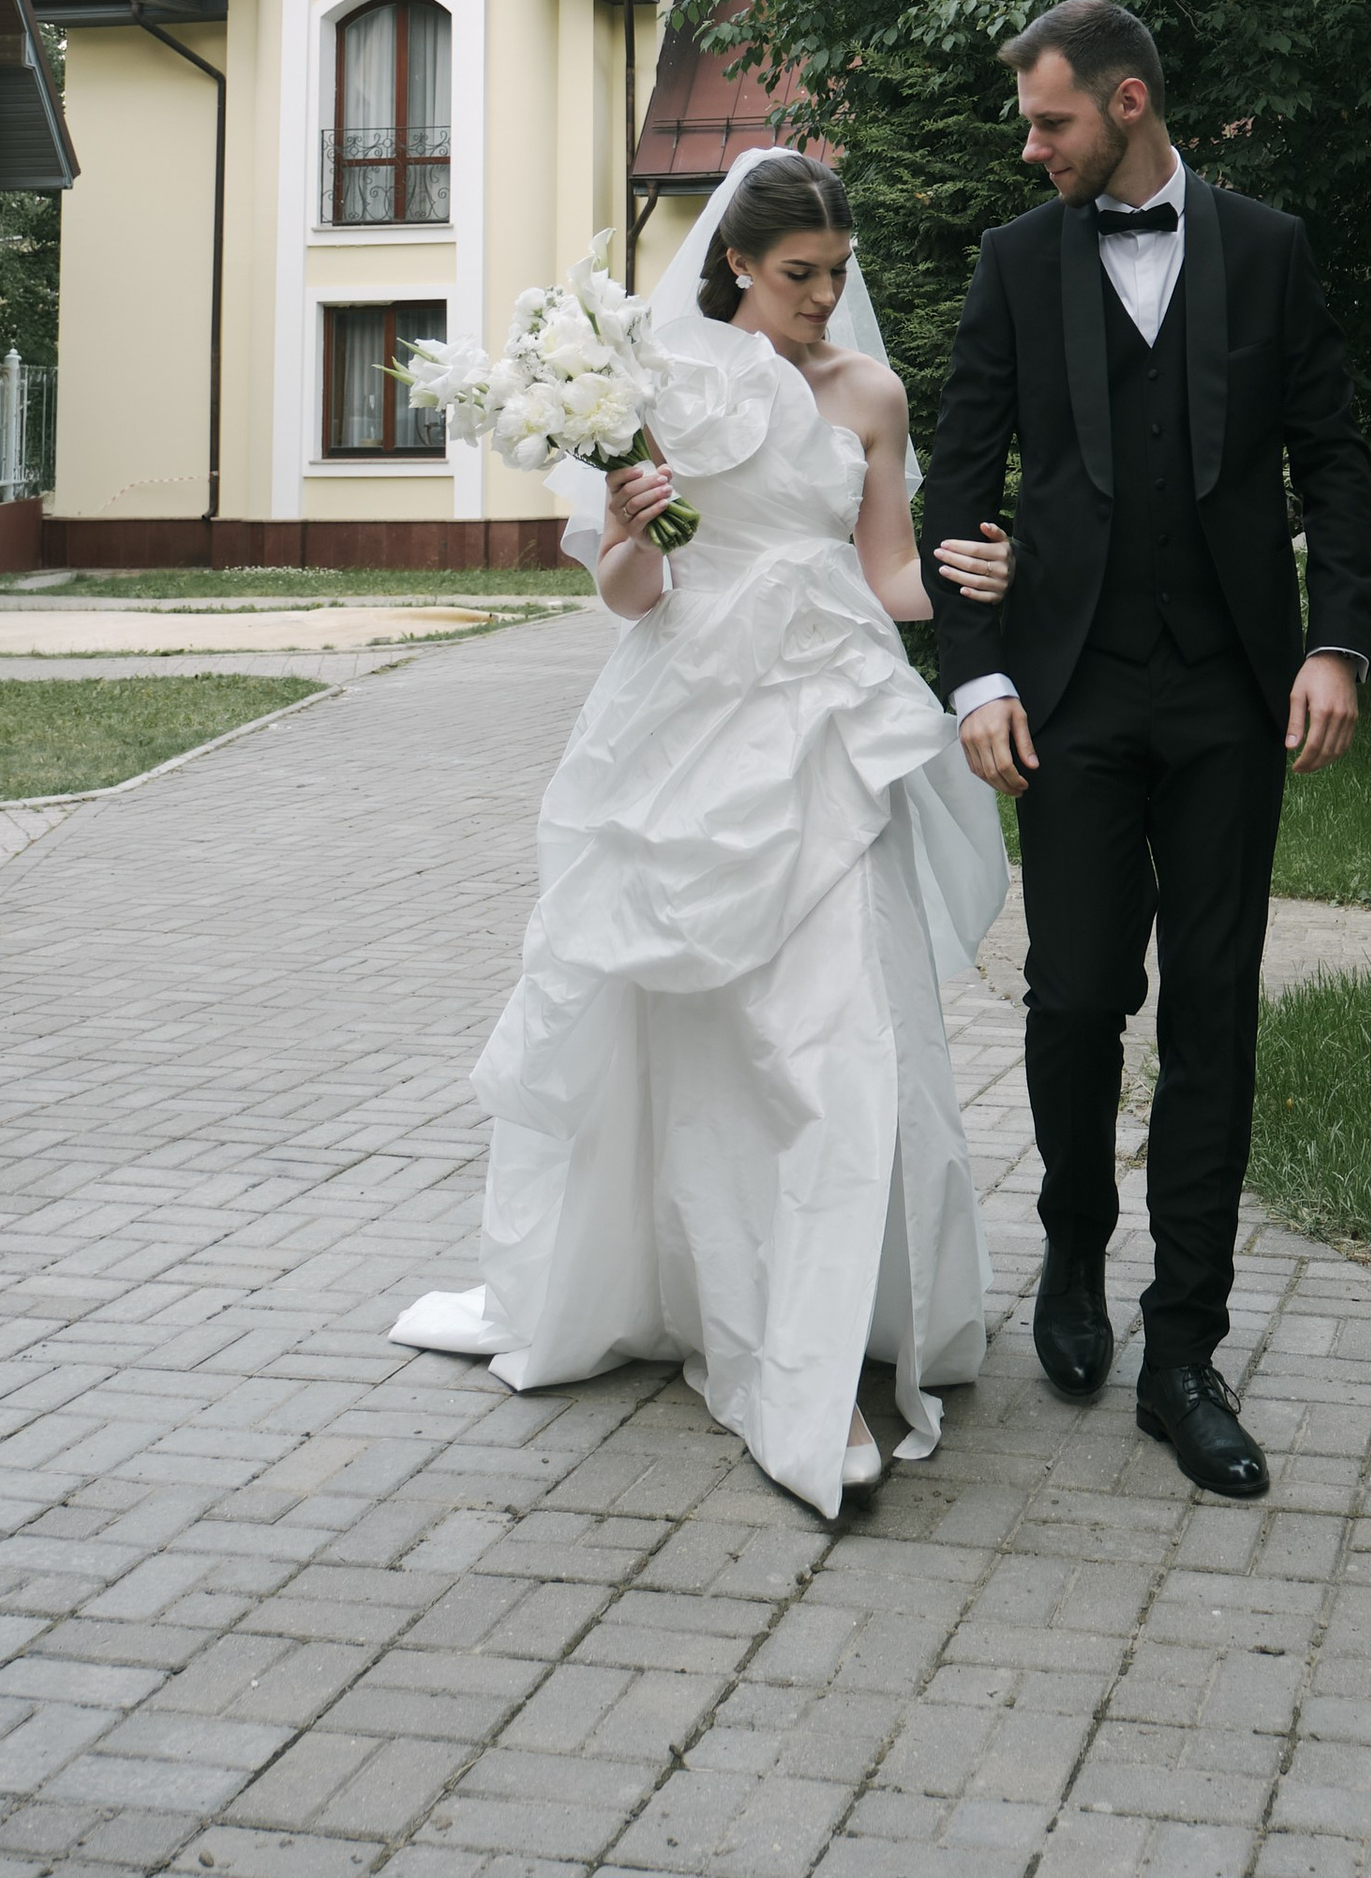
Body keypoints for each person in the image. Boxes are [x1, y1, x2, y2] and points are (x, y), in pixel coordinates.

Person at [391, 150, 1013, 1519]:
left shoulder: (871, 394)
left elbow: (886, 575)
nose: (823, 301)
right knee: (703, 1034)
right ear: (737, 262)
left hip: (831, 728)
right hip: (689, 731)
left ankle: (829, 1343)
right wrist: (627, 528)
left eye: (840, 278)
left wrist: (975, 577)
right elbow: (627, 595)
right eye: (801, 277)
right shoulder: (654, 380)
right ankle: (722, 1304)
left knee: (841, 1037)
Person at [922, 0, 1371, 1500]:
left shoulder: (1268, 248)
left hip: (1234, 692)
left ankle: (1184, 1349)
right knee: (1074, 996)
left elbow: (1335, 454)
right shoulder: (1013, 262)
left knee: (1215, 1015)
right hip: (1068, 693)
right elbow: (955, 476)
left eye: (1050, 120)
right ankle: (1071, 1247)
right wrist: (974, 671)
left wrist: (1335, 641)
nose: (1030, 143)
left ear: (1128, 103)